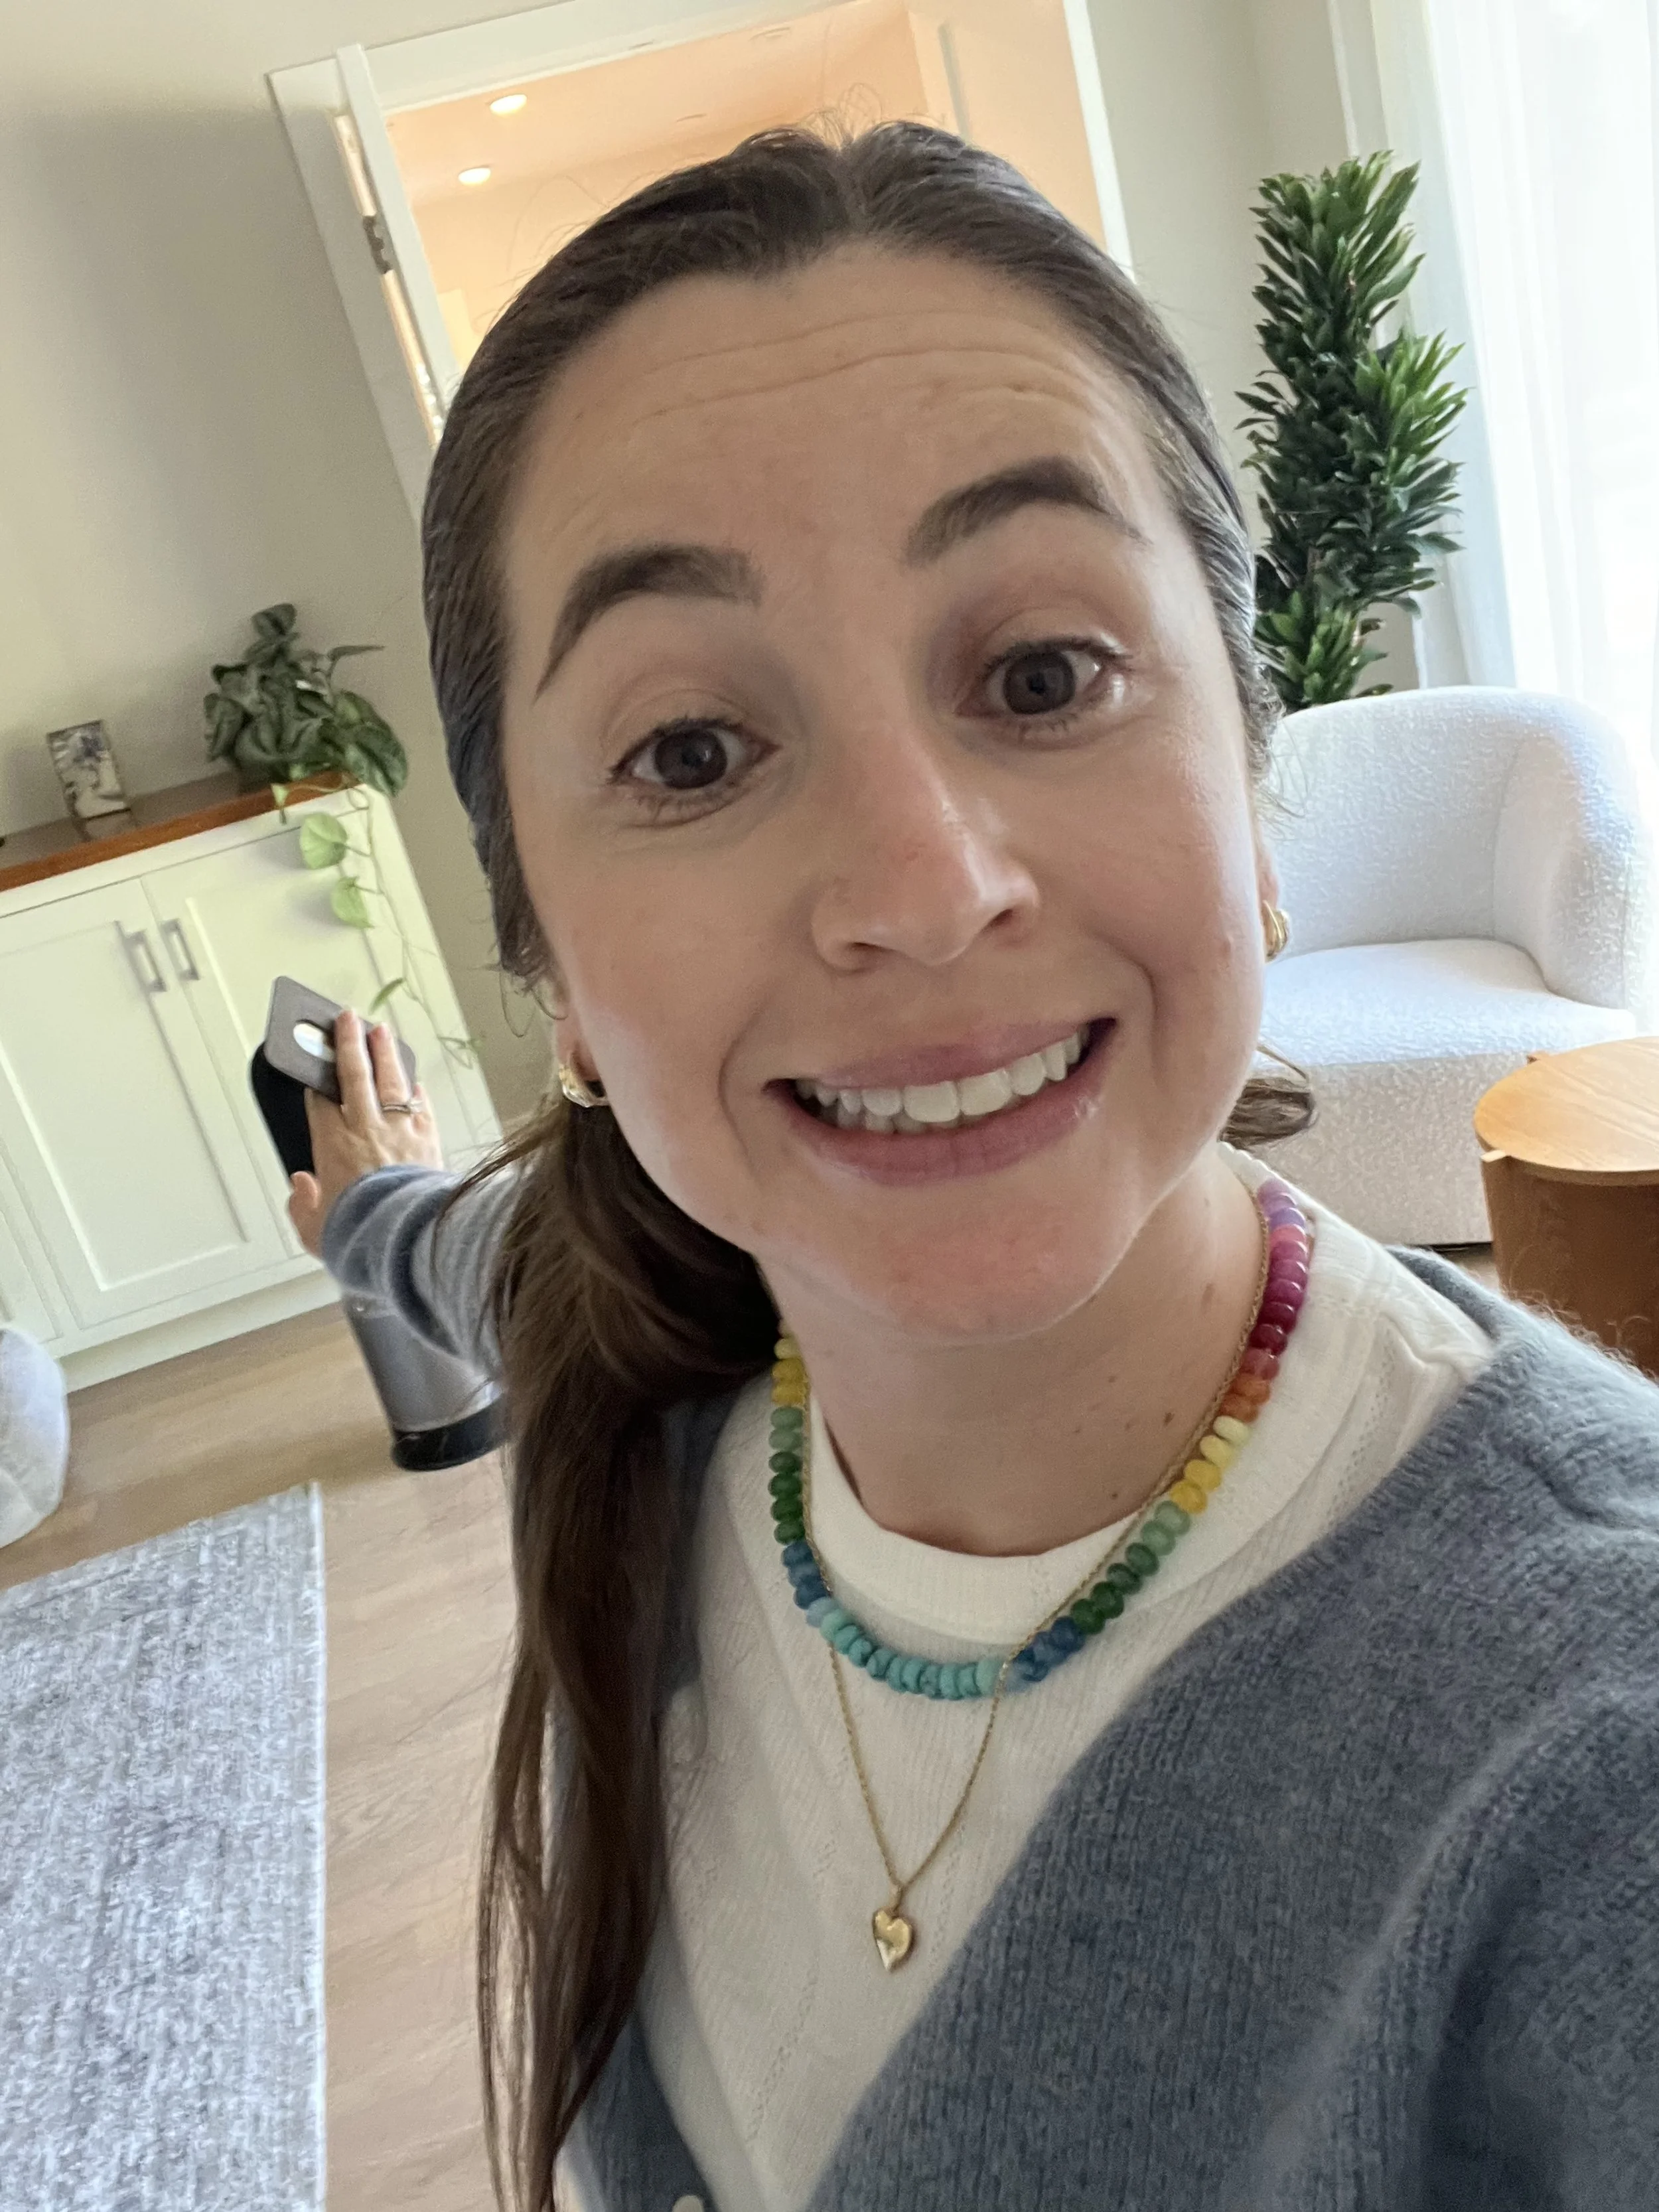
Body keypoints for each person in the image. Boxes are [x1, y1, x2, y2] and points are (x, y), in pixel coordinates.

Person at [293, 126, 1659, 2212]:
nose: (923, 889)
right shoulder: (645, 1352)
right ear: (549, 972)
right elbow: (467, 1253)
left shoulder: (1598, 1754)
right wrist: (366, 1210)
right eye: (689, 751)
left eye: (1042, 675)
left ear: (1250, 795)